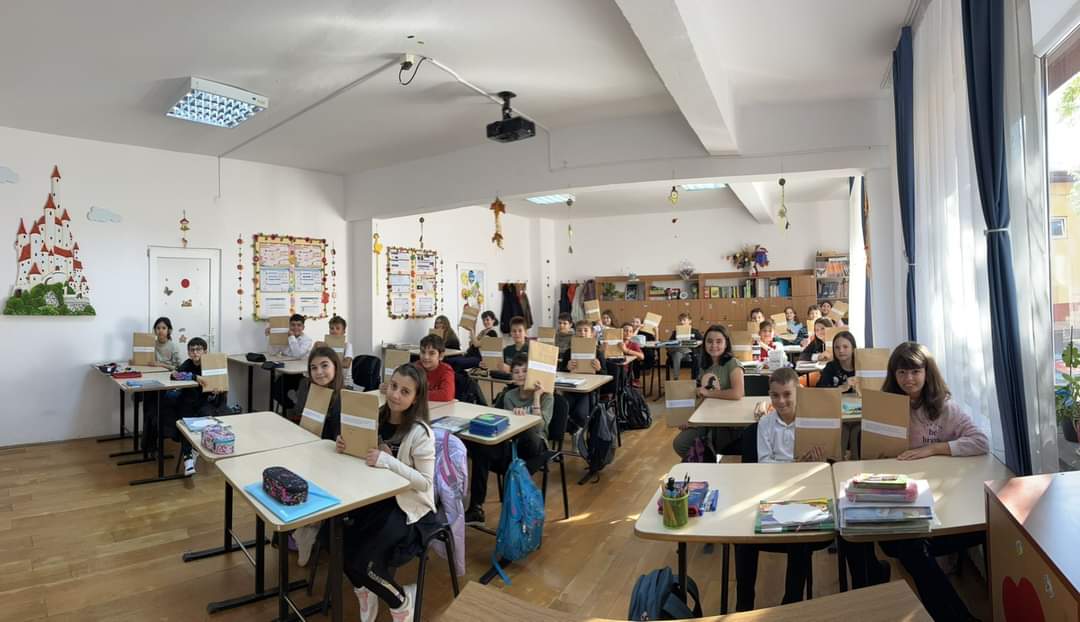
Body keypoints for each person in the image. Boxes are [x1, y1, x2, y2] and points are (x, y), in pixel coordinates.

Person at [841, 342, 988, 622]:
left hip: (941, 503)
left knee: (913, 550)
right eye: (902, 372)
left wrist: (934, 449)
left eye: (915, 371)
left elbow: (980, 441)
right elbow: (869, 458)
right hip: (899, 502)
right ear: (893, 375)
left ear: (927, 372)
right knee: (898, 544)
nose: (908, 379)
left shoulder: (945, 407)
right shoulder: (884, 408)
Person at [336, 364, 436, 622]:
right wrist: (345, 444)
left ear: (416, 398)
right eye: (393, 386)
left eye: (405, 391)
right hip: (374, 499)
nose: (395, 395)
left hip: (409, 509)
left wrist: (389, 461)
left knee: (366, 564)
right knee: (340, 549)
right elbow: (364, 457)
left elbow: (425, 483)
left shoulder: (420, 433)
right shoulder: (376, 417)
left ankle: (401, 602)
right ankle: (365, 593)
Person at [736, 367, 824, 611]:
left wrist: (819, 461)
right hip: (771, 490)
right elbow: (764, 463)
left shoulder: (813, 422)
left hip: (805, 492)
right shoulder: (765, 423)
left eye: (787, 394)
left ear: (799, 393)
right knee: (743, 538)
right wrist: (795, 464)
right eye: (775, 395)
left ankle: (791, 603)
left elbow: (825, 465)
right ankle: (744, 605)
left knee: (800, 536)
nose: (781, 401)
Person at [464, 353, 552, 526]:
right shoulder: (509, 395)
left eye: (525, 371)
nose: (520, 375)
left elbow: (539, 428)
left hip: (535, 448)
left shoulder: (546, 396)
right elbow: (495, 418)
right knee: (481, 450)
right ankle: (476, 508)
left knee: (528, 431)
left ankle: (514, 516)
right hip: (510, 445)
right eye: (516, 372)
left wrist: (535, 399)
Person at [291, 346, 345, 566]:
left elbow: (346, 437)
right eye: (313, 368)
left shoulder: (344, 397)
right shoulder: (309, 390)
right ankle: (303, 528)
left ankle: (310, 530)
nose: (319, 372)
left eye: (324, 366)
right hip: (311, 453)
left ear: (336, 367)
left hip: (334, 461)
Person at [672, 325, 746, 460]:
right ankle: (707, 461)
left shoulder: (733, 364)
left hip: (727, 421)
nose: (714, 345)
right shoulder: (704, 366)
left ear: (726, 344)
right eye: (710, 341)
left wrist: (708, 393)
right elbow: (702, 396)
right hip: (707, 418)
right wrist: (690, 419)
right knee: (680, 444)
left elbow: (737, 393)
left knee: (711, 444)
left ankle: (708, 462)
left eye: (719, 341)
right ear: (704, 343)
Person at [558, 320, 605, 434]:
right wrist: (567, 368)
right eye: (579, 330)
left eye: (585, 330)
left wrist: (599, 369)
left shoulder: (597, 353)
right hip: (570, 390)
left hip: (588, 392)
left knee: (580, 414)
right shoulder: (569, 352)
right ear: (575, 333)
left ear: (592, 334)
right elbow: (560, 372)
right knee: (560, 410)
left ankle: (577, 432)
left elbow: (606, 374)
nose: (582, 333)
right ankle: (575, 430)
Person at [266, 314, 314, 412]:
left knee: (284, 387)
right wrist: (271, 337)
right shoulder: (284, 337)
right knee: (276, 388)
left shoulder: (307, 340)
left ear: (303, 327)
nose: (295, 327)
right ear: (289, 326)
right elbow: (272, 352)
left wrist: (291, 337)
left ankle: (294, 408)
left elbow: (297, 354)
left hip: (300, 374)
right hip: (286, 371)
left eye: (299, 325)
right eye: (293, 325)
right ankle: (290, 408)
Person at [413, 333, 455, 402]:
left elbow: (446, 395)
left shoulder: (446, 370)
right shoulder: (415, 367)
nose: (426, 357)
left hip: (440, 407)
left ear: (441, 356)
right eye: (423, 352)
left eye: (431, 353)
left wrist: (417, 395)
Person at [667, 313, 702, 380]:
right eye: (680, 320)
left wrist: (697, 342)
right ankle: (676, 377)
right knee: (677, 354)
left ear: (690, 321)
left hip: (690, 352)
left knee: (696, 357)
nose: (682, 322)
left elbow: (702, 340)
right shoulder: (675, 332)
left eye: (684, 320)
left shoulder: (695, 331)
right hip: (679, 351)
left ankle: (696, 379)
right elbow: (669, 343)